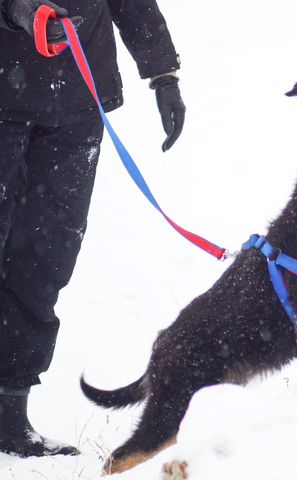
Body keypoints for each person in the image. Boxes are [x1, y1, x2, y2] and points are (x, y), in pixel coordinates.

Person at [0, 0, 186, 457]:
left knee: (46, 257)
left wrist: (162, 74)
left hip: (77, 103)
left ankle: (8, 415)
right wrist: (19, 10)